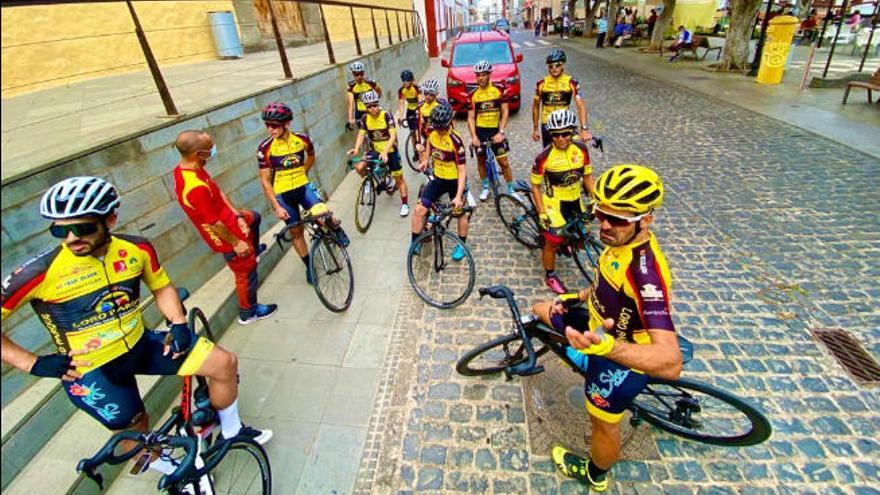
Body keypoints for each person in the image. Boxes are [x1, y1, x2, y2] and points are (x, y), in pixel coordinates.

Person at [0, 177, 272, 475]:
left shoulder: (137, 248)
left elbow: (161, 287)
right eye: (60, 230)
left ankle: (232, 431)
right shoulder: (37, 273)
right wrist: (32, 363)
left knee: (224, 363)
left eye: (84, 227)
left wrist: (178, 323)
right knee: (136, 429)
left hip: (139, 344)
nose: (70, 238)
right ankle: (172, 472)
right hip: (92, 370)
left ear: (111, 219)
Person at [531, 164, 682, 492]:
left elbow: (670, 363)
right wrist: (575, 296)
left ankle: (595, 476)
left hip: (618, 357)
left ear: (646, 220)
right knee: (539, 309)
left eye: (617, 219)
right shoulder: (620, 244)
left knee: (602, 424)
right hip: (597, 330)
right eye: (600, 213)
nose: (604, 225)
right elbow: (603, 281)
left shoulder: (647, 276)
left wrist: (607, 349)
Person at [173, 131, 277, 325]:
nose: (214, 150)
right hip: (225, 233)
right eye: (210, 148)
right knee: (246, 273)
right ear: (198, 153)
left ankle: (253, 251)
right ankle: (249, 311)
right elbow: (214, 223)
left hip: (230, 220)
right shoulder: (195, 187)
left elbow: (218, 192)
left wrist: (238, 216)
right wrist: (237, 243)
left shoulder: (192, 169)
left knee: (253, 217)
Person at [257, 102, 349, 285]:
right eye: (267, 125)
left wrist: (303, 173)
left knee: (322, 213)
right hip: (283, 193)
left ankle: (336, 228)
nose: (270, 129)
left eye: (274, 125)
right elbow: (265, 181)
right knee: (296, 232)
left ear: (287, 123)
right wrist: (276, 206)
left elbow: (311, 155)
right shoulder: (265, 148)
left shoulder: (302, 139)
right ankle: (309, 267)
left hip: (303, 186)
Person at [530, 109, 594, 294]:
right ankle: (550, 275)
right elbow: (535, 187)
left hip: (575, 199)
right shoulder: (543, 157)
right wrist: (541, 212)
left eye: (565, 133)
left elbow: (588, 177)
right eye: (555, 135)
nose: (560, 139)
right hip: (554, 203)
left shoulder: (581, 149)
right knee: (553, 241)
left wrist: (597, 198)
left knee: (583, 236)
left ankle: (568, 243)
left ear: (572, 132)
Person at [410, 101, 471, 261]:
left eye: (442, 127)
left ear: (449, 123)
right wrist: (424, 160)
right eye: (437, 127)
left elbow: (462, 170)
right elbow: (429, 152)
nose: (439, 130)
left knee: (460, 212)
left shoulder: (456, 141)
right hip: (438, 178)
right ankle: (414, 243)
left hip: (455, 181)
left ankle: (462, 245)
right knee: (419, 210)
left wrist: (458, 196)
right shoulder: (432, 134)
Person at [347, 90, 411, 217]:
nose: (373, 109)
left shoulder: (386, 115)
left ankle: (405, 204)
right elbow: (361, 134)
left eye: (375, 105)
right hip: (375, 149)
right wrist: (356, 148)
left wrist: (386, 151)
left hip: (390, 150)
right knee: (359, 167)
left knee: (399, 179)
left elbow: (393, 135)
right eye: (369, 106)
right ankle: (368, 182)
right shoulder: (365, 118)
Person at [466, 60, 515, 201]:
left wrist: (501, 132)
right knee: (481, 160)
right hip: (481, 132)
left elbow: (505, 112)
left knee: (504, 162)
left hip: (495, 131)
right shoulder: (473, 95)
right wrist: (474, 137)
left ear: (489, 75)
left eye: (483, 75)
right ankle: (486, 186)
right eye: (478, 75)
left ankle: (511, 189)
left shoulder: (499, 90)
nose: (480, 78)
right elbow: (470, 118)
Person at [532, 49, 592, 148]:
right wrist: (535, 129)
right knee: (549, 155)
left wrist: (584, 129)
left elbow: (580, 105)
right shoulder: (541, 84)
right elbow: (535, 106)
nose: (554, 68)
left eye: (557, 65)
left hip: (565, 124)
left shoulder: (571, 82)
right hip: (547, 124)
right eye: (551, 66)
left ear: (563, 65)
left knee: (573, 151)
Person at [346, 61, 382, 130]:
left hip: (371, 110)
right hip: (359, 112)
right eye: (357, 74)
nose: (359, 76)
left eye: (361, 74)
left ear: (364, 73)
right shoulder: (351, 86)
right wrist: (350, 118)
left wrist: (375, 102)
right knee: (362, 132)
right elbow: (351, 104)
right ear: (353, 74)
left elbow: (379, 92)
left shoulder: (370, 82)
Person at [397, 69, 422, 162]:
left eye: (408, 80)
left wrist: (419, 112)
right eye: (404, 81)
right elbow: (401, 103)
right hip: (410, 110)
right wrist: (401, 116)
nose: (406, 83)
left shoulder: (416, 88)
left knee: (421, 130)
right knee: (412, 133)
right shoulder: (401, 90)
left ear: (412, 80)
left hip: (418, 109)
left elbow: (420, 101)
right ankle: (415, 151)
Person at [416, 77, 442, 145]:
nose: (427, 96)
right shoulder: (420, 106)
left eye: (431, 94)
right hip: (427, 134)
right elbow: (419, 124)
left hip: (439, 135)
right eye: (426, 93)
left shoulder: (440, 105)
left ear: (436, 94)